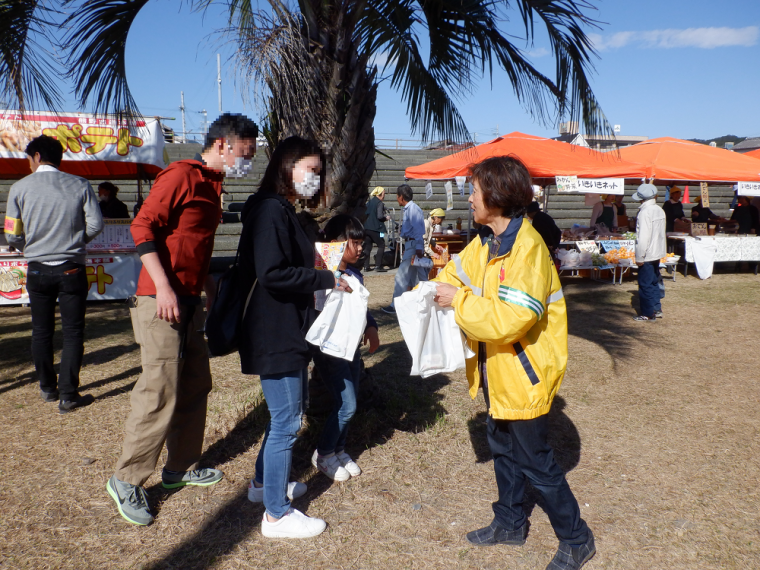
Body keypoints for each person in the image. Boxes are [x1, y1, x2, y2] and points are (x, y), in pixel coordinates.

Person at [431, 156, 595, 570]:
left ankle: (577, 539)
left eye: (475, 190)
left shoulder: (528, 249)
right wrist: (435, 286)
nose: (470, 198)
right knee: (502, 449)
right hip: (497, 372)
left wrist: (459, 301)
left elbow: (512, 319)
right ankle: (509, 523)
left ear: (498, 196)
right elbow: (456, 271)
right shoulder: (487, 241)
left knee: (535, 462)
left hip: (524, 374)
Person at [107, 113, 259, 526]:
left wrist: (206, 287)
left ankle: (180, 468)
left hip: (190, 302)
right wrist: (165, 287)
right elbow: (143, 228)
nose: (250, 159)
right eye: (247, 151)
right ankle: (127, 479)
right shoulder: (180, 175)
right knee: (161, 388)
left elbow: (190, 243)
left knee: (195, 383)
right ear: (225, 144)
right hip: (161, 301)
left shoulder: (214, 184)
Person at [238, 136, 347, 539]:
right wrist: (326, 277)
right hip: (275, 330)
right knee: (287, 421)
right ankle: (277, 515)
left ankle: (263, 486)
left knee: (281, 417)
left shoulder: (279, 210)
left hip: (282, 328)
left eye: (319, 173)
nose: (315, 180)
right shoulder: (270, 211)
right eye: (311, 170)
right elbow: (273, 273)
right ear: (287, 166)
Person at [4, 134, 103, 413]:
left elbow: (12, 234)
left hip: (36, 268)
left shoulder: (19, 188)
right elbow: (96, 224)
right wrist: (74, 242)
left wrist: (29, 247)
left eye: (28, 159)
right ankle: (69, 395)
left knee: (41, 331)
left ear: (36, 156)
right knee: (73, 332)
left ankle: (48, 388)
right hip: (71, 267)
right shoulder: (79, 184)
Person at [311, 215, 380, 482]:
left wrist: (370, 327)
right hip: (330, 349)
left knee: (347, 403)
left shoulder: (355, 273)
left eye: (362, 243)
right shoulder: (321, 274)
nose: (360, 248)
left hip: (350, 347)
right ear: (335, 243)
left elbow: (360, 306)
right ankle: (324, 453)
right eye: (355, 242)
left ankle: (338, 449)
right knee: (347, 405)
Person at [381, 184, 426, 314]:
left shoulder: (413, 209)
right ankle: (425, 300)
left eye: (397, 196)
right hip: (411, 245)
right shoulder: (409, 209)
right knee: (417, 277)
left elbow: (418, 231)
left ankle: (396, 305)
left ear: (401, 197)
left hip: (413, 245)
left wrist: (418, 247)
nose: (396, 198)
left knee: (402, 276)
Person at [632, 183, 666, 322]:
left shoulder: (644, 212)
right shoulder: (659, 210)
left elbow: (643, 237)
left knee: (645, 284)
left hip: (647, 253)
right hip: (657, 251)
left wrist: (639, 256)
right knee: (653, 282)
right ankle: (657, 308)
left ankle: (647, 313)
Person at [362, 186, 389, 272]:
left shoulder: (370, 202)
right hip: (376, 228)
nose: (384, 196)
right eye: (384, 194)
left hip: (366, 228)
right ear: (380, 194)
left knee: (368, 247)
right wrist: (386, 218)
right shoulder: (379, 203)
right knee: (381, 244)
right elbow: (380, 216)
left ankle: (366, 266)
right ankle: (378, 265)